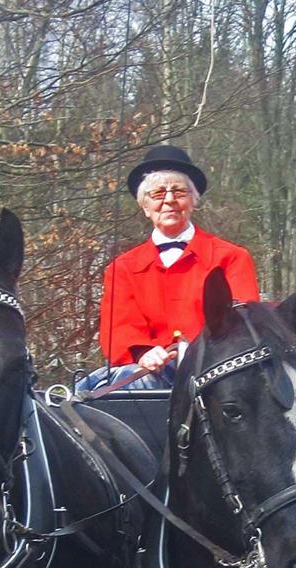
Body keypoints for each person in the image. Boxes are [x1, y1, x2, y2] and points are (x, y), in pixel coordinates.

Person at [76, 144, 259, 393]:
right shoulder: (122, 268)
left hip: (214, 374)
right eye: (158, 193)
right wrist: (143, 353)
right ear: (145, 207)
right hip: (149, 375)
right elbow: (120, 328)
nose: (169, 200)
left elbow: (243, 324)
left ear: (193, 201)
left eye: (179, 191)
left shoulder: (231, 257)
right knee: (88, 393)